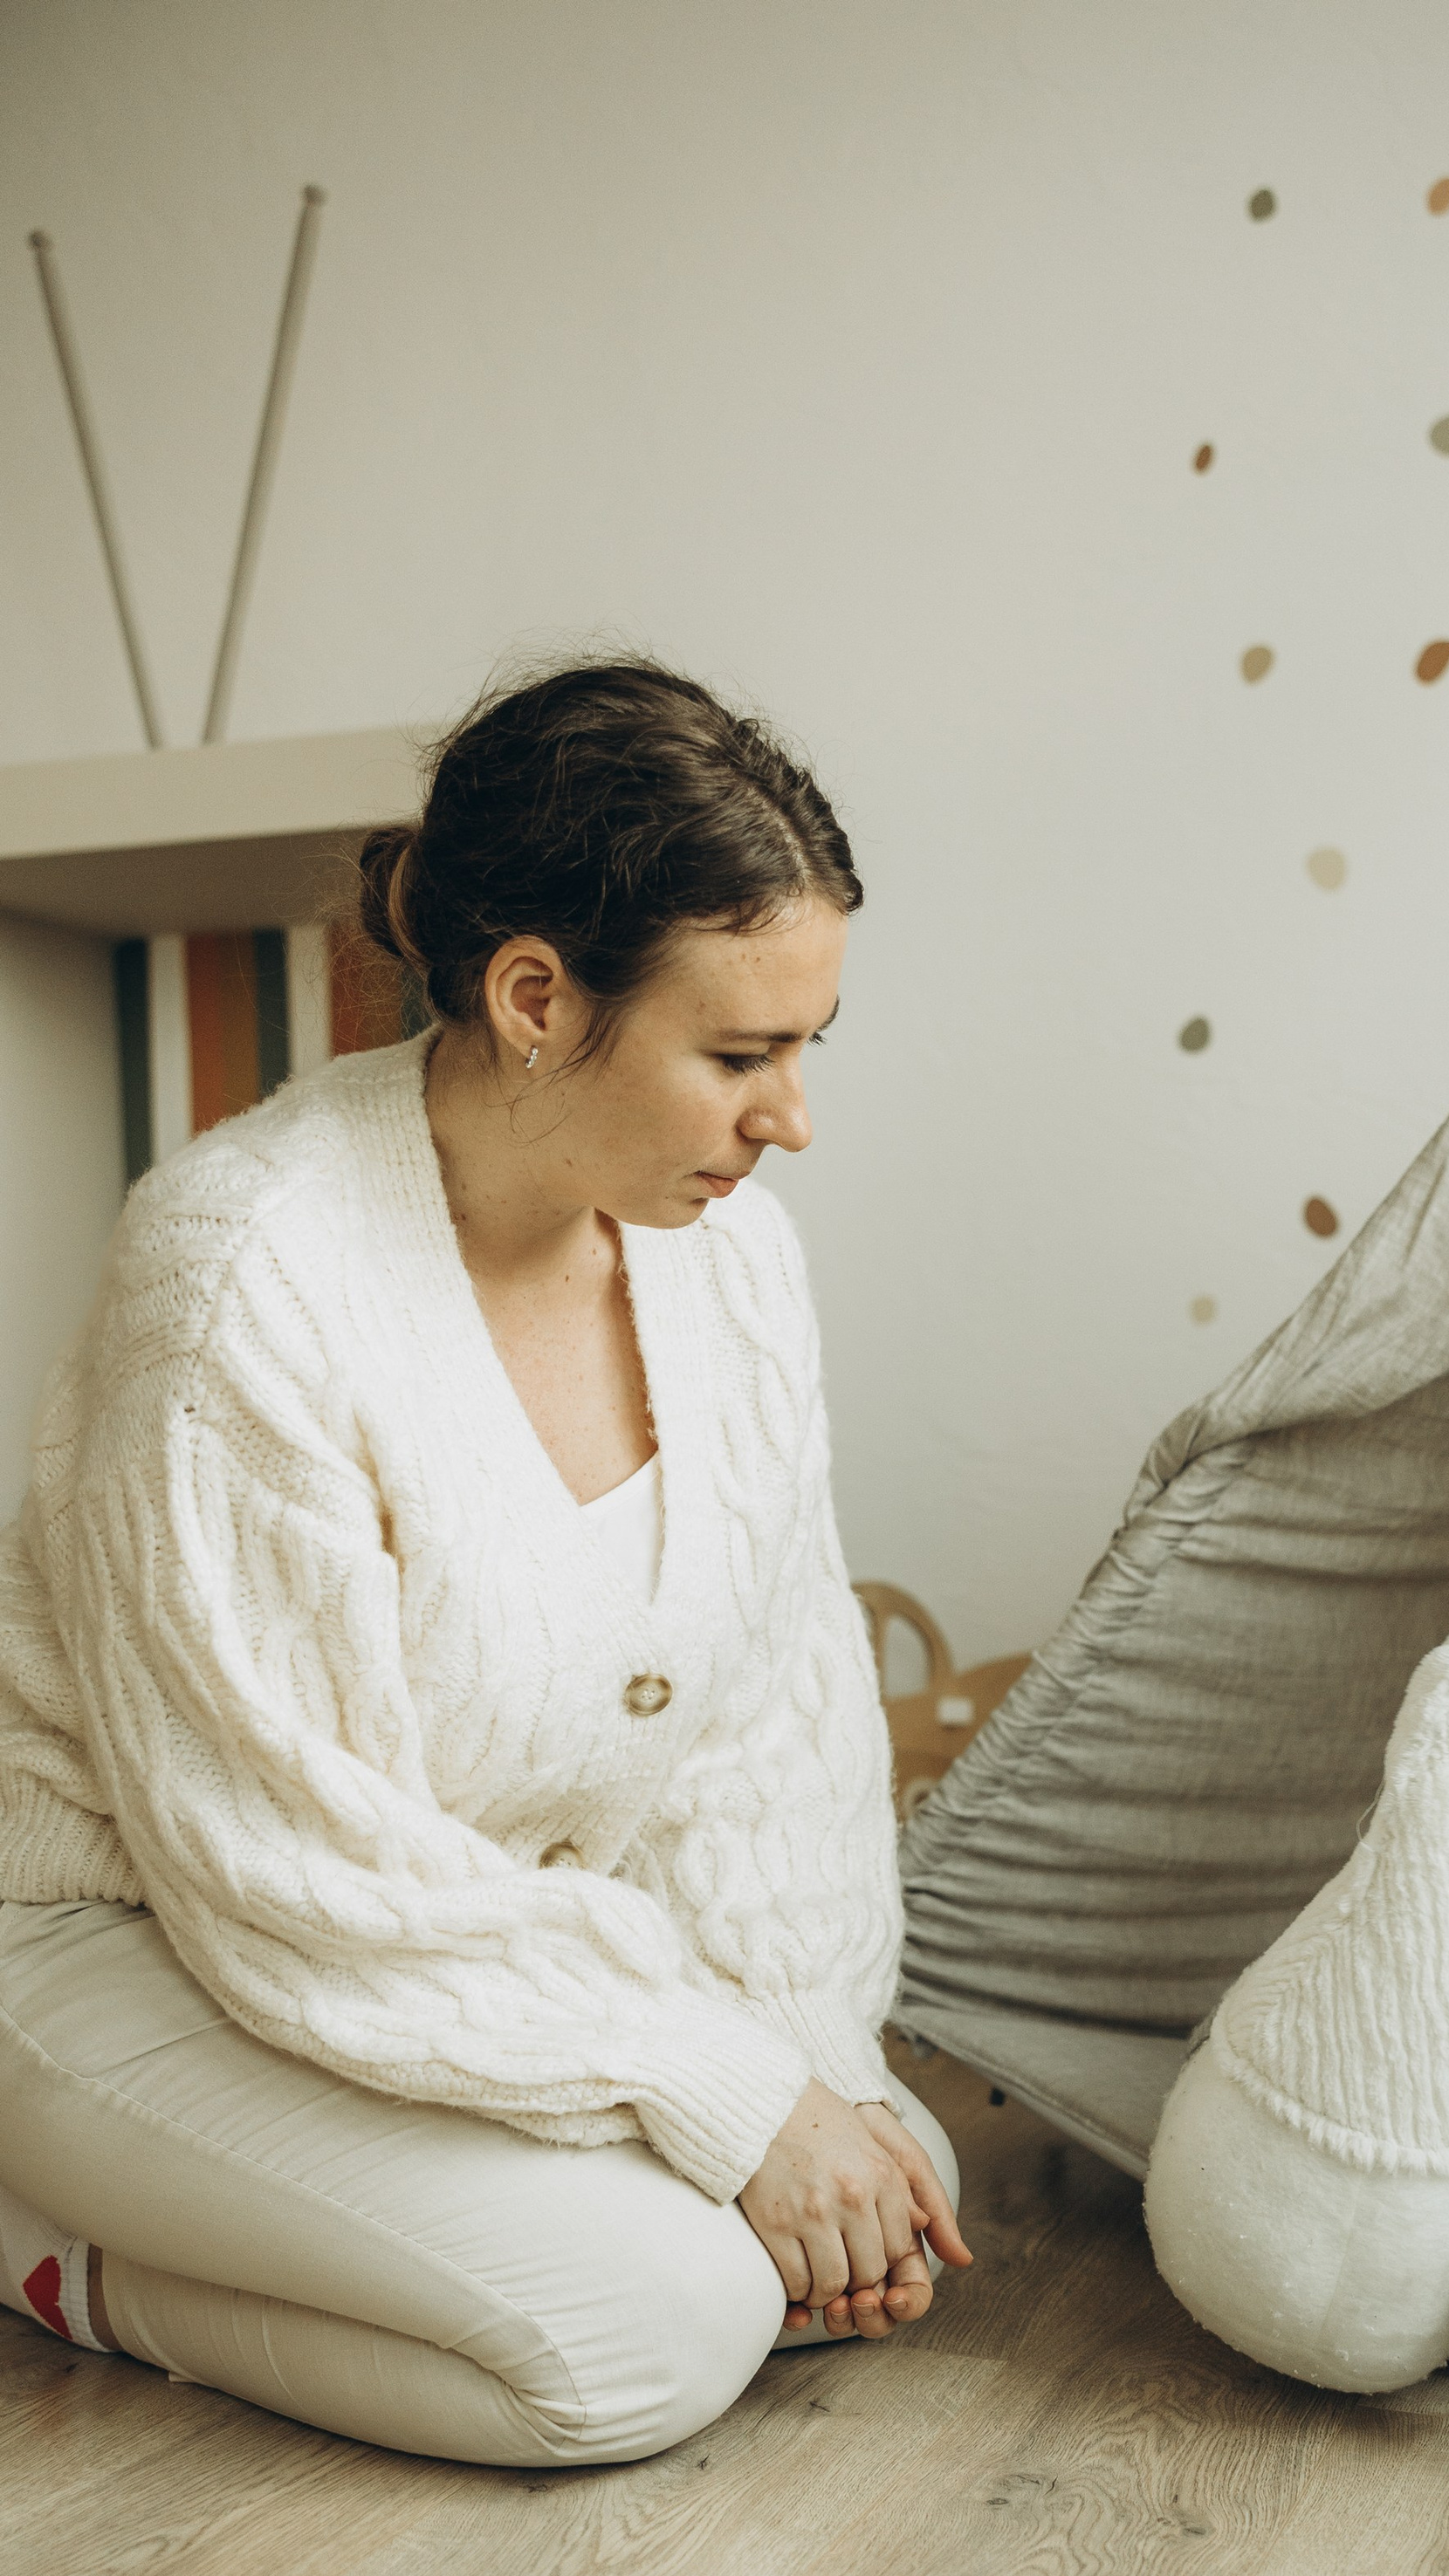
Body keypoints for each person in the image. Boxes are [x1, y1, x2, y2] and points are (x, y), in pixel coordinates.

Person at [0, 658, 969, 2467]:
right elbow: (289, 1868)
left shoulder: (735, 1264)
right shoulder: (240, 1278)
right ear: (536, 997)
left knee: (883, 2182)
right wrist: (718, 2095)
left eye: (806, 1048)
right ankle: (65, 2258)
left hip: (436, 1949)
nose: (791, 1119)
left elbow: (773, 1736)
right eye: (738, 1056)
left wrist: (811, 2074)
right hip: (139, 1941)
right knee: (656, 2330)